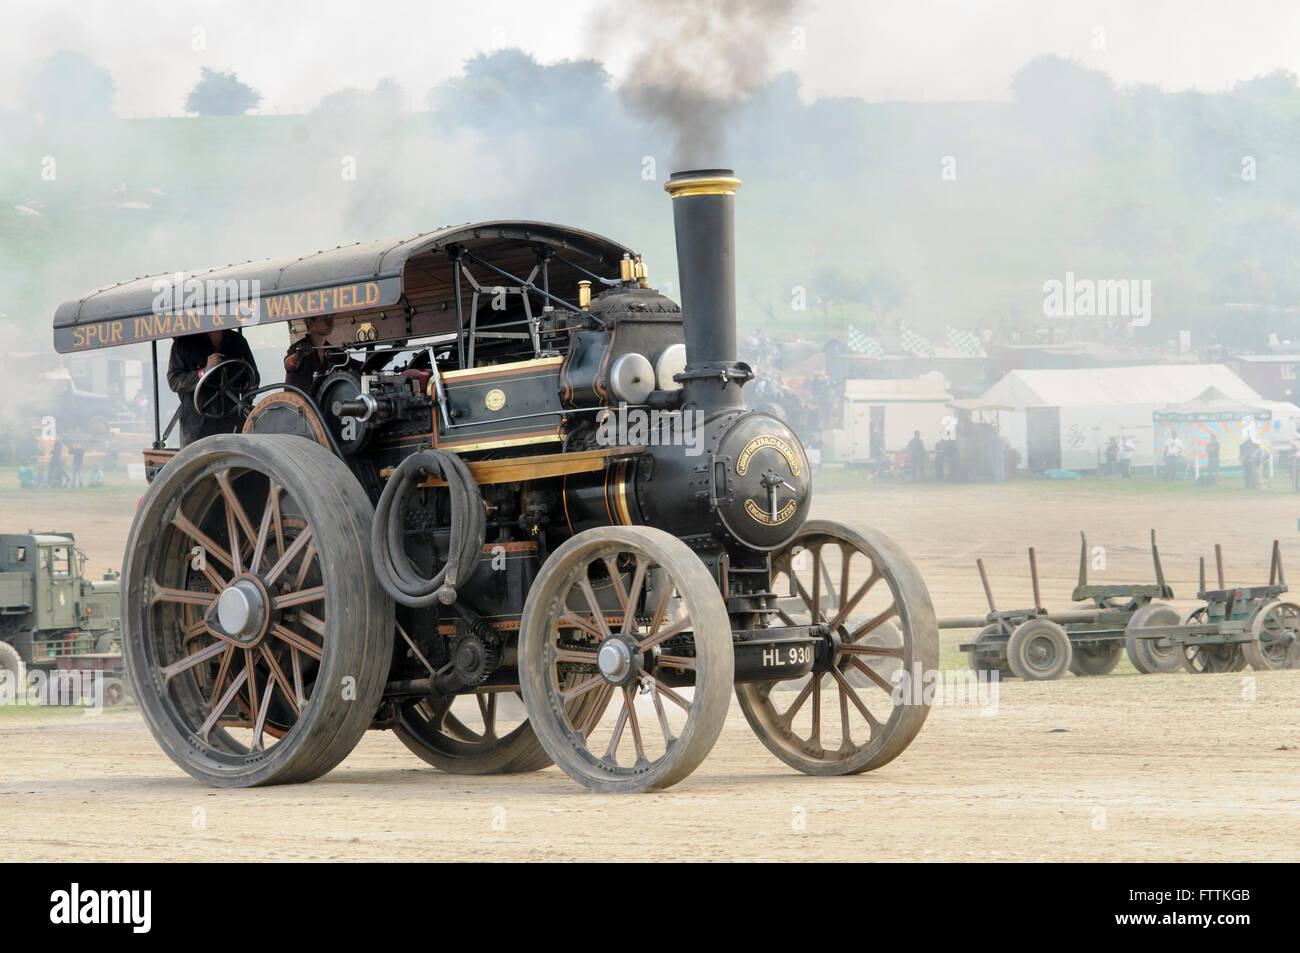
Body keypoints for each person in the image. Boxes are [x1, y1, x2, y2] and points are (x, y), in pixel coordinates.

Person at [167, 328, 259, 447]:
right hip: (197, 427)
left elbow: (253, 374)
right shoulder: (183, 343)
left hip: (232, 420)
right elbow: (174, 381)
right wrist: (203, 372)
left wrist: (251, 388)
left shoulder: (237, 340)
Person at [283, 314, 348, 393]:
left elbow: (357, 366)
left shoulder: (334, 351)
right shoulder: (297, 348)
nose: (331, 322)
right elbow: (288, 366)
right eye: (325, 318)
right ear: (310, 323)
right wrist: (297, 356)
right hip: (297, 403)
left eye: (331, 318)